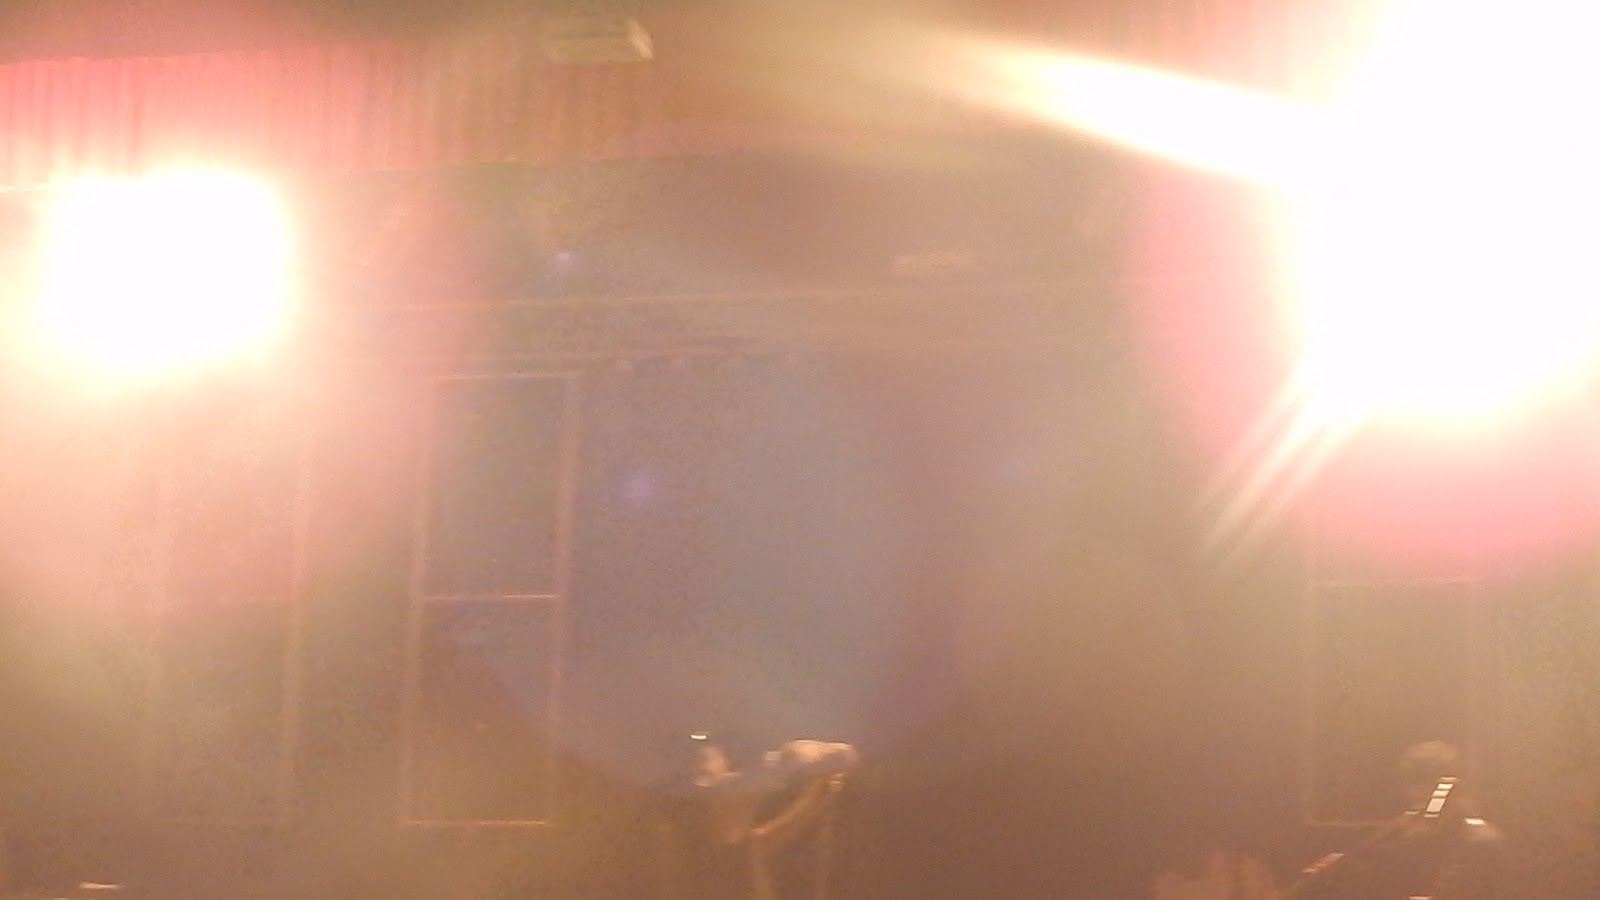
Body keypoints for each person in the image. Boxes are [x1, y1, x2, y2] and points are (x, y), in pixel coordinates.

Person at [1289, 740, 1503, 899]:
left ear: (1453, 787)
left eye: (1426, 784)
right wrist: (1337, 871)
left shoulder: (1480, 840)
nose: (1416, 794)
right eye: (1414, 785)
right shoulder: (1410, 835)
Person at [658, 736, 859, 900]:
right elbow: (782, 763)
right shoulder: (713, 796)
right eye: (706, 759)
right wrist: (827, 754)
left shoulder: (710, 817)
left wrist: (815, 796)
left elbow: (759, 842)